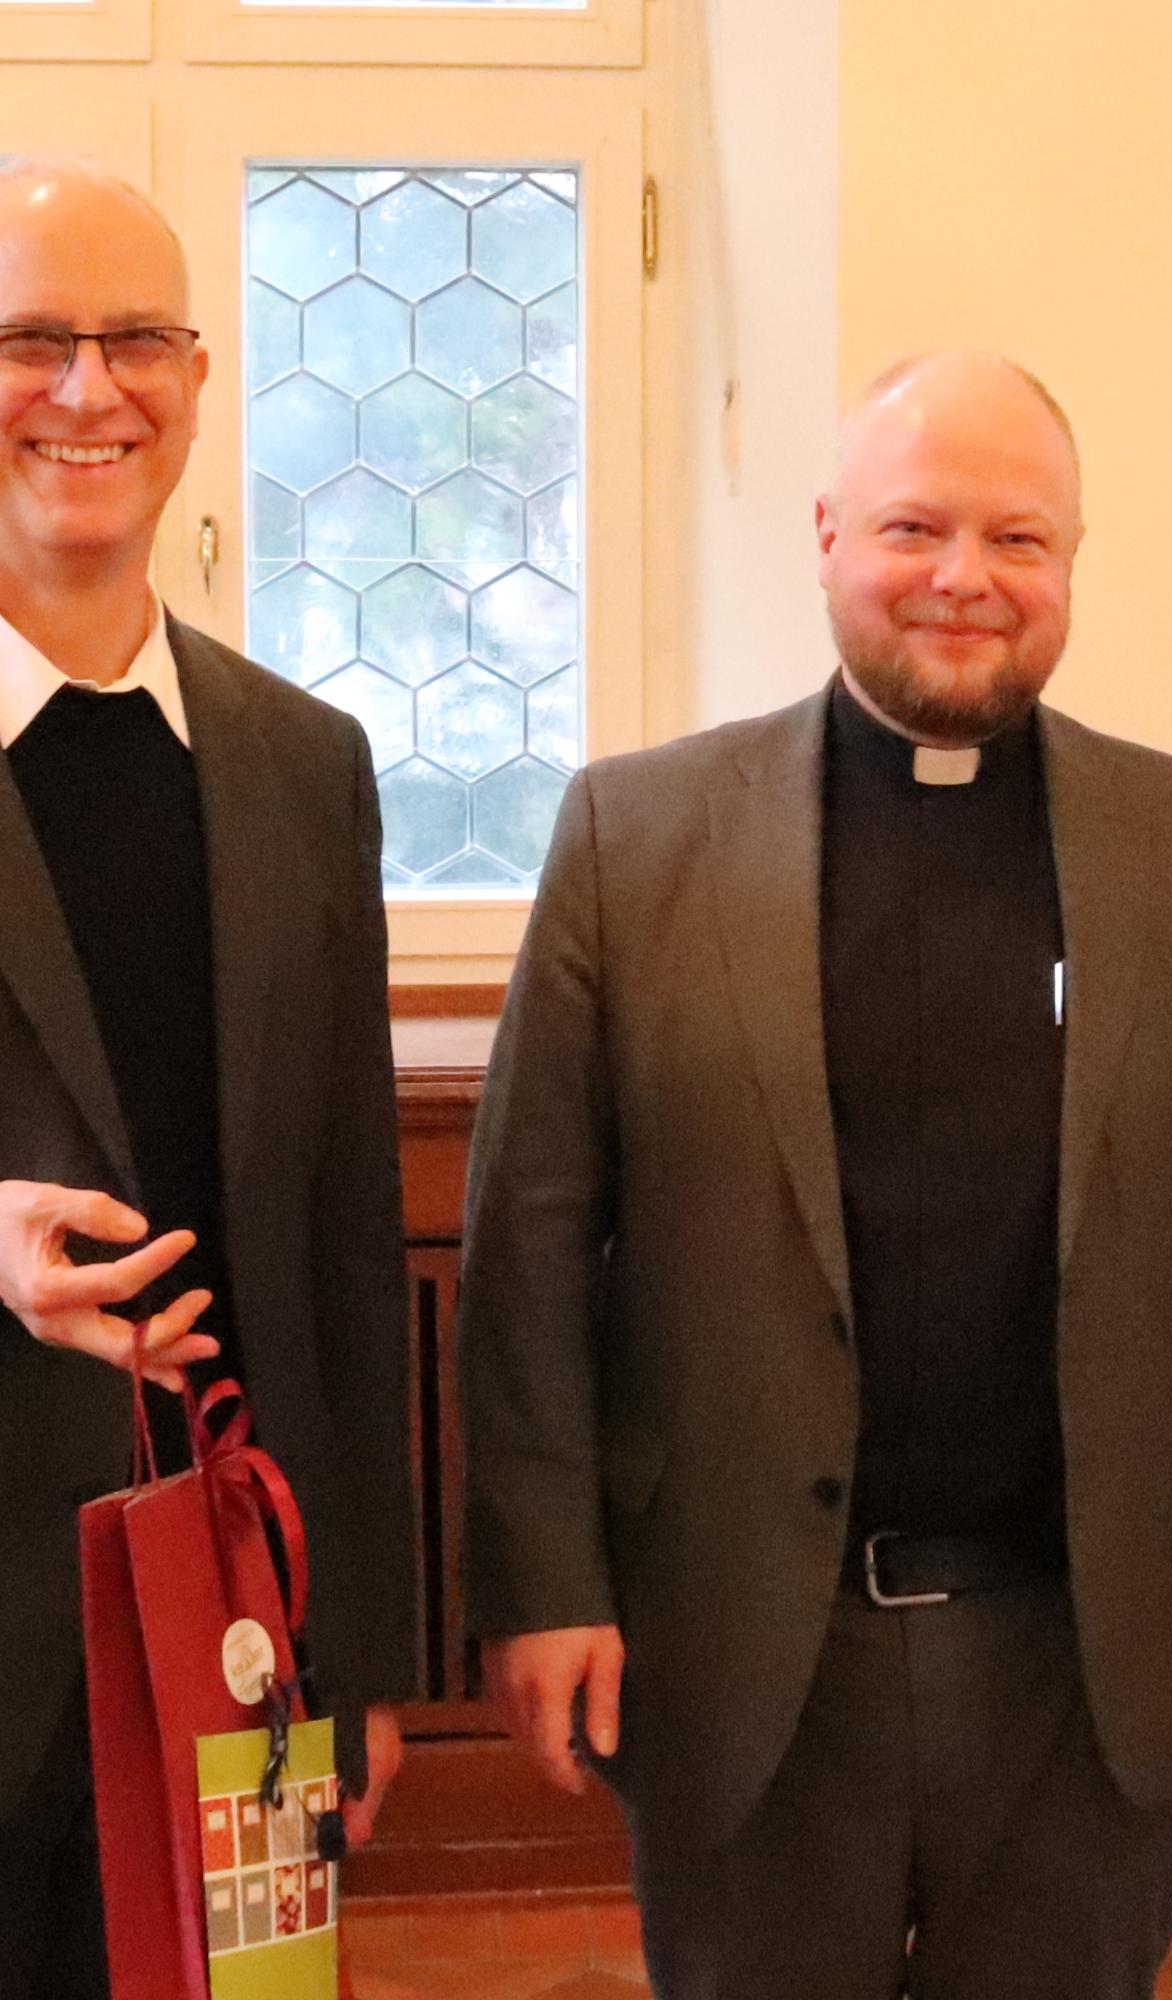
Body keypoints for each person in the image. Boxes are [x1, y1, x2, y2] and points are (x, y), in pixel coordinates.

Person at [459, 350, 1172, 1998]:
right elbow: (526, 1252)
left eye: (1019, 541)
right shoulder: (633, 837)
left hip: (1091, 1648)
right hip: (743, 1641)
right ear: (822, 539)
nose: (965, 579)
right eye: (914, 528)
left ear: (1074, 563)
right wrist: (544, 1585)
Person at [0, 162, 414, 1997]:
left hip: (237, 1635)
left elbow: (340, 1236)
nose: (89, 393)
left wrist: (362, 1655)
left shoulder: (303, 764)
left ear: (197, 373)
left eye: (135, 341)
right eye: (28, 341)